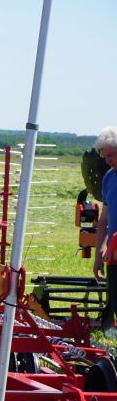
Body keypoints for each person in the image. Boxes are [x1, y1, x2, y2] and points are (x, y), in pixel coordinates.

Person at [93, 126, 117, 339]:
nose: (108, 161)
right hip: (115, 254)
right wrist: (100, 248)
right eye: (105, 157)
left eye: (111, 155)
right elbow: (104, 220)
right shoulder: (109, 178)